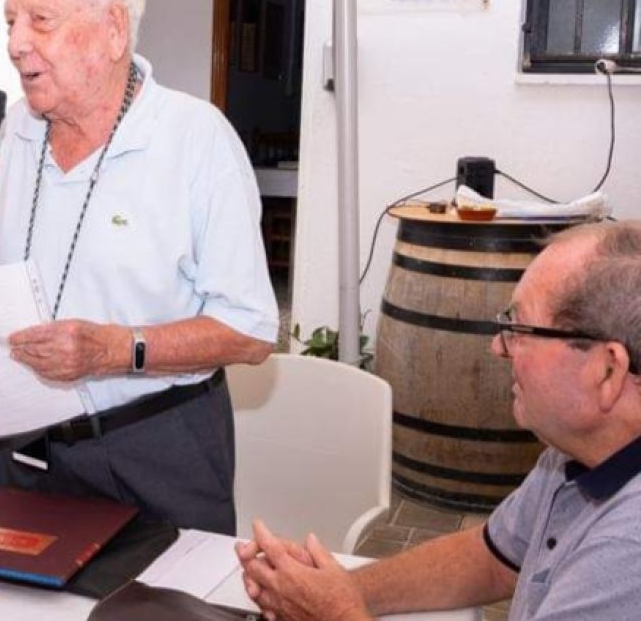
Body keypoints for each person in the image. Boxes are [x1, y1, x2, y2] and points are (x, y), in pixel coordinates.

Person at [0, 0, 277, 533]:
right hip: (25, 448)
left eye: (41, 20)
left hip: (156, 447)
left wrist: (116, 349)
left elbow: (251, 330)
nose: (15, 43)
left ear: (113, 29)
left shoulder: (196, 141)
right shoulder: (11, 132)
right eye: (10, 22)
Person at [238, 220, 641, 620]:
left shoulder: (628, 550)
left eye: (519, 329)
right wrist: (340, 589)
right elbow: (490, 559)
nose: (498, 346)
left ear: (607, 370)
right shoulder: (574, 455)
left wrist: (333, 613)